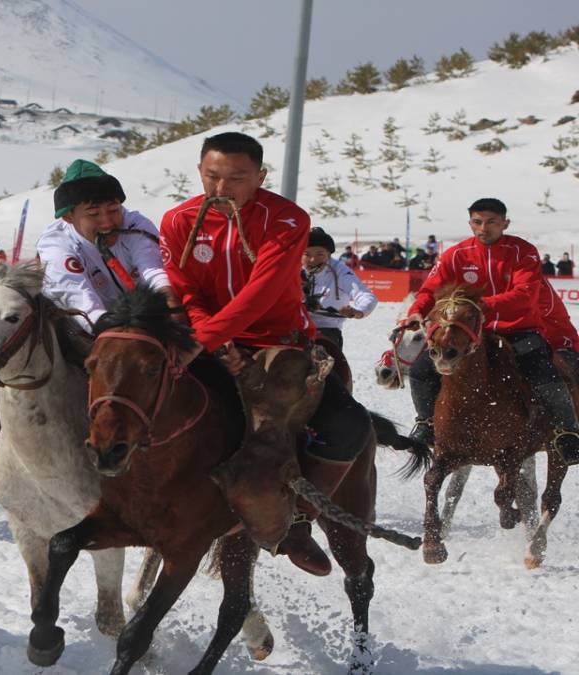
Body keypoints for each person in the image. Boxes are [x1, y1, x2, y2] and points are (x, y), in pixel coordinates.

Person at [158, 131, 374, 577]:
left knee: (348, 424)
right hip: (207, 338)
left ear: (260, 176)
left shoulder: (288, 219)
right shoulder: (177, 220)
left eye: (236, 178)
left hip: (281, 342)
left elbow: (262, 293)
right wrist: (210, 337)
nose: (221, 189)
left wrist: (210, 339)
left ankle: (297, 521)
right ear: (199, 171)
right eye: (212, 176)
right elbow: (184, 289)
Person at [400, 197, 579, 465]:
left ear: (505, 223)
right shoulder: (456, 254)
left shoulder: (523, 252)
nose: (484, 228)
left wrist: (481, 307)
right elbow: (430, 289)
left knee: (543, 370)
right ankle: (426, 423)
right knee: (421, 369)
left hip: (518, 328)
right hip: (469, 331)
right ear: (470, 223)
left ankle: (566, 431)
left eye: (492, 222)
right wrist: (417, 310)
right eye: (477, 222)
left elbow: (526, 293)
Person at [37, 159, 173, 327]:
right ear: (69, 217)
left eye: (114, 210)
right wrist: (108, 326)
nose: (107, 222)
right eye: (94, 214)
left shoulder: (134, 224)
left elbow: (153, 270)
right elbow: (79, 299)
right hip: (88, 326)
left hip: (143, 315)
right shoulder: (56, 244)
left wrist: (169, 301)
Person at [302, 227, 377, 349]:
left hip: (326, 330)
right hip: (294, 327)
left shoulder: (340, 271)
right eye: (306, 254)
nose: (313, 260)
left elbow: (366, 295)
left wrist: (359, 311)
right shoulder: (292, 267)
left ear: (329, 254)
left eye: (320, 254)